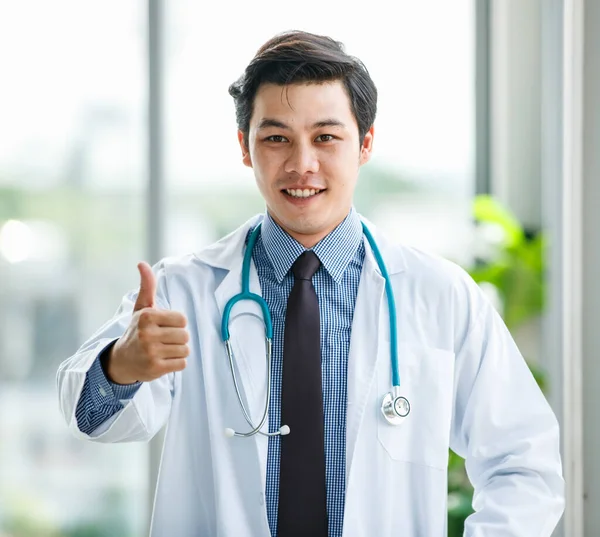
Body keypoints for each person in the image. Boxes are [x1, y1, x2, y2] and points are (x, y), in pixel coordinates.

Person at [57, 30, 564, 537]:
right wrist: (121, 367)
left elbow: (525, 465)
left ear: (364, 144)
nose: (302, 165)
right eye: (276, 138)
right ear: (245, 148)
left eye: (326, 137)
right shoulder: (181, 290)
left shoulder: (440, 295)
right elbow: (94, 419)